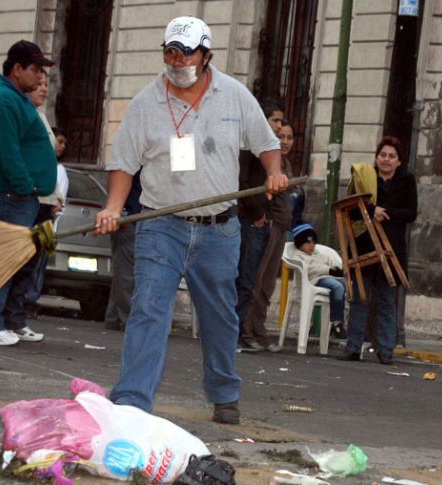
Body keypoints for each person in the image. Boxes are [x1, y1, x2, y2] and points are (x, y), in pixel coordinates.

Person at [93, 16, 287, 424]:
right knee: (148, 308)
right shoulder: (146, 103)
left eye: (186, 53)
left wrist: (273, 171)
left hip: (219, 228)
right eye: (170, 52)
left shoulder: (233, 95)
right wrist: (113, 207)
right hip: (161, 224)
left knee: (220, 314)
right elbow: (124, 164)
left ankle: (224, 394)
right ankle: (132, 402)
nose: (177, 61)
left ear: (206, 55)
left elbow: (266, 144)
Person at [0, 39, 56, 347]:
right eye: (35, 70)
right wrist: (25, 186)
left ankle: (4, 320)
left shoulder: (13, 97)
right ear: (17, 68)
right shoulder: (3, 101)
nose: (39, 77)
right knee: (2, 261)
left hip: (17, 194)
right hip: (8, 194)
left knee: (15, 262)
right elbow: (7, 152)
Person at [338, 136, 417, 365]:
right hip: (364, 246)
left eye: (392, 156)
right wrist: (371, 210)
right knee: (359, 299)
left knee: (386, 300)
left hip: (391, 249)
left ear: (399, 161)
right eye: (383, 155)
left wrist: (386, 212)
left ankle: (386, 351)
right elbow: (351, 209)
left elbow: (411, 212)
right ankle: (353, 348)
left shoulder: (407, 181)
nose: (386, 160)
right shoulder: (365, 177)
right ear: (376, 157)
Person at [235, 98, 290, 354]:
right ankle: (242, 332)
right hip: (251, 221)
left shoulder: (271, 151)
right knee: (248, 280)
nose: (279, 127)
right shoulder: (250, 147)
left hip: (267, 222)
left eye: (281, 121)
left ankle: (254, 330)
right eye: (275, 121)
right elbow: (245, 185)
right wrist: (258, 213)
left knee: (263, 282)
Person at [22, 80, 70, 318]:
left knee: (38, 261)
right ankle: (17, 309)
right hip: (34, 201)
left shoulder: (40, 117)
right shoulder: (27, 116)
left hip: (47, 206)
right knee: (26, 261)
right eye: (37, 84)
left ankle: (25, 307)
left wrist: (57, 198)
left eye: (46, 84)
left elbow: (50, 169)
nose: (44, 89)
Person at [289, 224, 347, 339]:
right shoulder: (298, 256)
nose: (311, 245)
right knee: (338, 287)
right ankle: (337, 322)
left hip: (328, 278)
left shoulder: (319, 254)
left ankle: (342, 322)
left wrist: (338, 269)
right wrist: (329, 270)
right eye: (308, 242)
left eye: (313, 242)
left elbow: (332, 262)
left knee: (348, 285)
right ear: (300, 243)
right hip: (314, 281)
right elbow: (310, 270)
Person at [103, 169, 142, 332]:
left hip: (128, 217)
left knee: (122, 273)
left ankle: (114, 318)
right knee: (127, 275)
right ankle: (127, 319)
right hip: (132, 218)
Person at [278, 119, 306, 229]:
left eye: (289, 138)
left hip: (286, 221)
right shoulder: (268, 162)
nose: (285, 142)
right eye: (280, 137)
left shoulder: (286, 163)